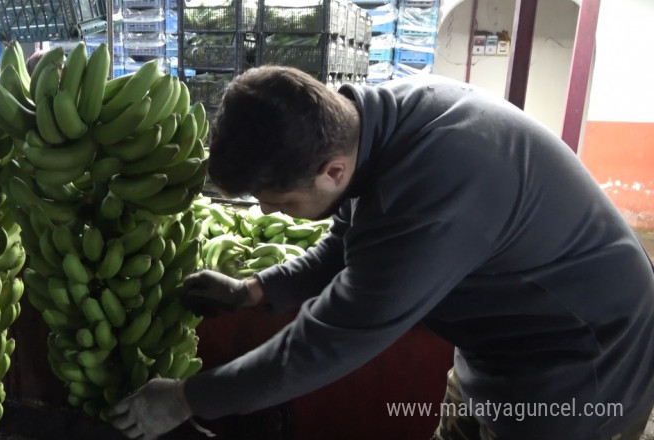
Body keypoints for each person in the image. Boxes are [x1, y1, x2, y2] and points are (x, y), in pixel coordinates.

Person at [109, 66, 654, 439]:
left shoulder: (433, 194)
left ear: (332, 172)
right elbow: (348, 244)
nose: (274, 215)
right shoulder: (372, 125)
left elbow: (327, 342)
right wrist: (256, 289)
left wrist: (187, 398)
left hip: (582, 367)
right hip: (501, 347)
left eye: (282, 202)